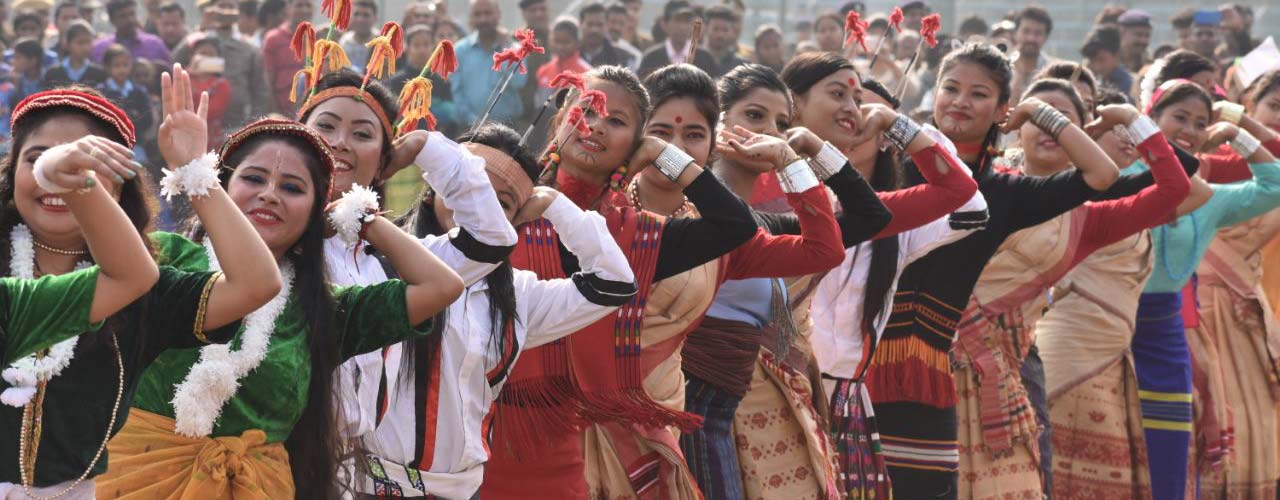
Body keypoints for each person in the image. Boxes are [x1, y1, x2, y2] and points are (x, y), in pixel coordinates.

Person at [99, 66, 463, 500]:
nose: (270, 194)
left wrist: (360, 216)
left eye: (292, 188)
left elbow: (442, 286)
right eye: (253, 179)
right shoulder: (165, 259)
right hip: (132, 480)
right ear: (221, 185)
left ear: (315, 212)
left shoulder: (324, 309)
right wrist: (194, 173)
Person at [592, 63, 883, 500]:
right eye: (660, 133)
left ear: (712, 144)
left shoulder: (722, 237)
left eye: (692, 135)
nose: (674, 146)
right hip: (597, 422)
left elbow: (825, 249)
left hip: (689, 422)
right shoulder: (600, 217)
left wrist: (790, 158)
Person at [861, 42, 1127, 499]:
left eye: (979, 94)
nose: (961, 101)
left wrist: (1042, 111)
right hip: (856, 362)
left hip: (925, 375)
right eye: (951, 88)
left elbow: (1102, 174)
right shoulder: (891, 164)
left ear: (1003, 109)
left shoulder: (1003, 192)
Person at [481, 65, 759, 500]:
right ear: (560, 119)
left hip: (583, 444)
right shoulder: (504, 201)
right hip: (481, 430)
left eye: (617, 121)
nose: (595, 126)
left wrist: (665, 155)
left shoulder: (639, 236)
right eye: (586, 110)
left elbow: (734, 224)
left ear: (636, 142)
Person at [0, 85, 280, 499]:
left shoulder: (145, 288)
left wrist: (194, 173)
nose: (64, 174)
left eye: (89, 165)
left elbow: (257, 285)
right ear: (12, 173)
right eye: (39, 160)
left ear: (119, 188)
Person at [355, 123, 637, 499]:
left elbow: (614, 284)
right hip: (364, 485)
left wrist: (554, 204)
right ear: (434, 190)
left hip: (461, 490)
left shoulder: (517, 295)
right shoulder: (380, 261)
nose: (481, 206)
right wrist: (428, 147)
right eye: (472, 188)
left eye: (501, 202)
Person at [954, 78, 1189, 499]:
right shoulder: (979, 185)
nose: (1048, 129)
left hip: (1012, 367)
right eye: (1039, 115)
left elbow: (1176, 186)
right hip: (933, 358)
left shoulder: (1089, 220)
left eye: (1063, 121)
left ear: (1086, 138)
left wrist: (1133, 119)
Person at [1120, 78, 1280, 500]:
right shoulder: (1119, 178)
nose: (1189, 130)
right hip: (1109, 328)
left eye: (1200, 122)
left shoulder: (1206, 198)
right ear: (1150, 121)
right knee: (1109, 450)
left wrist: (1238, 135)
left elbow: (1275, 185)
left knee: (1169, 455)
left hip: (1167, 334)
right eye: (1178, 117)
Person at [173, 0, 270, 132]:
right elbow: (175, 60)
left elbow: (260, 92)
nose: (225, 12)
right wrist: (202, 27)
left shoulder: (249, 48)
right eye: (221, 7)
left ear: (238, 13)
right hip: (198, 123)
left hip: (236, 125)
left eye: (230, 7)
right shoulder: (197, 40)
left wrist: (253, 125)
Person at [451, 0, 526, 128]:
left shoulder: (514, 48)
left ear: (498, 14)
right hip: (470, 129)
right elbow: (457, 92)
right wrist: (473, 121)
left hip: (508, 128)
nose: (483, 19)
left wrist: (506, 48)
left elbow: (519, 82)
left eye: (488, 13)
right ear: (471, 17)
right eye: (477, 14)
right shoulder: (460, 50)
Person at [96, 44, 150, 160]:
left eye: (125, 65)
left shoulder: (139, 92)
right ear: (107, 67)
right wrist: (131, 116)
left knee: (139, 170)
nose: (122, 69)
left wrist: (131, 124)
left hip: (135, 143)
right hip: (109, 144)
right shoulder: (101, 92)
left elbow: (147, 118)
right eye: (117, 65)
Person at [636, 2, 714, 79]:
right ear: (664, 24)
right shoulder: (651, 58)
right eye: (677, 20)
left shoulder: (705, 58)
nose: (682, 27)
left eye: (686, 21)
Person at [259, 0, 310, 114]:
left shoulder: (316, 39)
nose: (304, 10)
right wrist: (276, 114)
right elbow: (268, 82)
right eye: (299, 5)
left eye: (308, 6)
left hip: (308, 110)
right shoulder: (273, 38)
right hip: (282, 111)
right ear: (288, 8)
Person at [179, 34, 230, 146]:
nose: (206, 58)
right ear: (192, 56)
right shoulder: (182, 77)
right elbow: (178, 106)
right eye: (202, 53)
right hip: (185, 138)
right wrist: (189, 74)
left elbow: (212, 111)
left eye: (211, 54)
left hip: (211, 140)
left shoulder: (222, 84)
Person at [91, 0, 169, 65]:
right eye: (123, 16)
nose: (130, 20)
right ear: (112, 20)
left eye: (132, 14)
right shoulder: (100, 49)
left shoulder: (154, 44)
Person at [535, 18, 590, 102]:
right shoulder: (544, 70)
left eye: (566, 42)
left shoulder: (586, 72)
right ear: (550, 41)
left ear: (577, 43)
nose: (560, 46)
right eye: (556, 41)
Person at [1008, 5, 1054, 103]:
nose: (1031, 38)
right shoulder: (1001, 66)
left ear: (1046, 37)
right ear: (1015, 33)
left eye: (1038, 33)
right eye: (1026, 31)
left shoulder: (1052, 71)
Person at [43, 20, 105, 88]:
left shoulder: (99, 74)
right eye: (80, 43)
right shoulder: (53, 73)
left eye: (88, 42)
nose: (85, 47)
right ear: (68, 44)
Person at [1082, 26, 1133, 100]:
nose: (1097, 66)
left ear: (1117, 55)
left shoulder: (1129, 85)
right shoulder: (1096, 82)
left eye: (1101, 59)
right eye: (1092, 60)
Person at [578, 2, 634, 70]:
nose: (594, 30)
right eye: (590, 24)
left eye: (600, 25)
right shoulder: (568, 52)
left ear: (607, 25)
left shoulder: (622, 59)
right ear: (580, 24)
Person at [704, 5, 744, 78]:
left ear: (731, 31)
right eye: (715, 29)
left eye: (725, 30)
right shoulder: (695, 58)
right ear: (706, 28)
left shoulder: (740, 65)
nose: (720, 35)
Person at [337, 0, 376, 72]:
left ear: (375, 18)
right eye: (356, 14)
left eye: (366, 15)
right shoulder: (344, 42)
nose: (360, 19)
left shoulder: (380, 42)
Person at [1117, 9, 1151, 74]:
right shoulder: (1109, 63)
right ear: (1122, 33)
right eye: (1138, 35)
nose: (1143, 41)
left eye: (1147, 36)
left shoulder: (1150, 65)